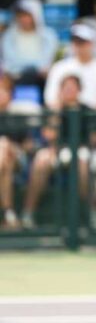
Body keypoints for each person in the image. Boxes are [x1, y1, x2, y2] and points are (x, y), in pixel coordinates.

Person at [21, 74, 96, 229]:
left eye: (72, 88)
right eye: (66, 88)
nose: (69, 91)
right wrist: (57, 112)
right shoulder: (54, 111)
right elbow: (49, 136)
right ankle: (28, 213)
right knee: (41, 161)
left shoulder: (87, 111)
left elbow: (95, 139)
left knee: (82, 164)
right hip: (58, 150)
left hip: (83, 150)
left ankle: (92, 212)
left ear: (79, 90)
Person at [45, 22, 96, 111]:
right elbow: (51, 100)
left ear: (92, 43)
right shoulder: (59, 67)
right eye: (75, 42)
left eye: (82, 42)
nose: (79, 46)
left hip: (94, 117)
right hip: (64, 115)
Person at [0, 0, 59, 91]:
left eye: (27, 15)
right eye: (20, 15)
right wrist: (26, 69)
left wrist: (35, 69)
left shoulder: (49, 36)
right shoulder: (8, 37)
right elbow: (9, 63)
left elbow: (46, 62)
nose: (24, 19)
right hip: (15, 80)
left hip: (42, 79)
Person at [0, 75, 35, 230]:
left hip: (18, 159)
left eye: (4, 90)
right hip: (5, 163)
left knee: (4, 146)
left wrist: (11, 147)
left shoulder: (17, 114)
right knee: (4, 163)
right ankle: (9, 214)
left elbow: (28, 145)